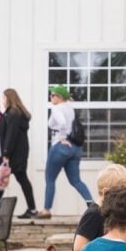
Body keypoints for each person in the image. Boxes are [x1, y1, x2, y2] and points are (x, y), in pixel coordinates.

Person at [39, 84, 92, 218]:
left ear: (60, 97)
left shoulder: (57, 108)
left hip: (60, 147)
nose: (50, 97)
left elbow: (61, 123)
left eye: (53, 95)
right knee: (76, 180)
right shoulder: (70, 108)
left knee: (50, 179)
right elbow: (52, 124)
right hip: (75, 148)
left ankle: (46, 209)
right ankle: (92, 205)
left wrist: (62, 137)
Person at [72, 163, 126, 251]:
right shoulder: (94, 214)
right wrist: (107, 250)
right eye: (123, 195)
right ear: (106, 193)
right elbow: (78, 247)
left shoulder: (109, 212)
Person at [0, 88, 38, 219]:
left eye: (4, 98)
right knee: (6, 179)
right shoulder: (13, 113)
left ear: (9, 98)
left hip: (16, 153)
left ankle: (32, 209)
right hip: (18, 152)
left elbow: (11, 135)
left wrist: (6, 152)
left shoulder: (13, 114)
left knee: (10, 178)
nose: (2, 101)